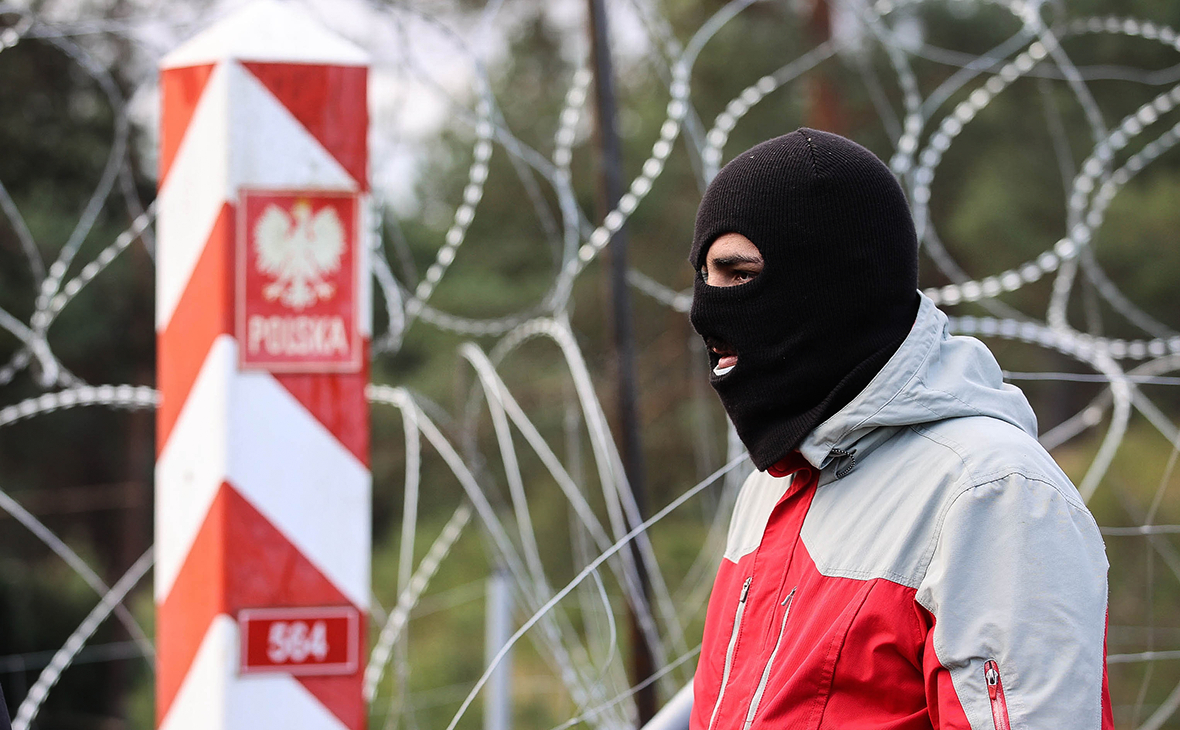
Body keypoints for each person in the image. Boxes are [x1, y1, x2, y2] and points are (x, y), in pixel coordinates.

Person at [687, 129, 1112, 729]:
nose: (707, 311)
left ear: (835, 281)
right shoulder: (776, 478)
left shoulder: (992, 494)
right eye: (704, 276)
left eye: (738, 274)